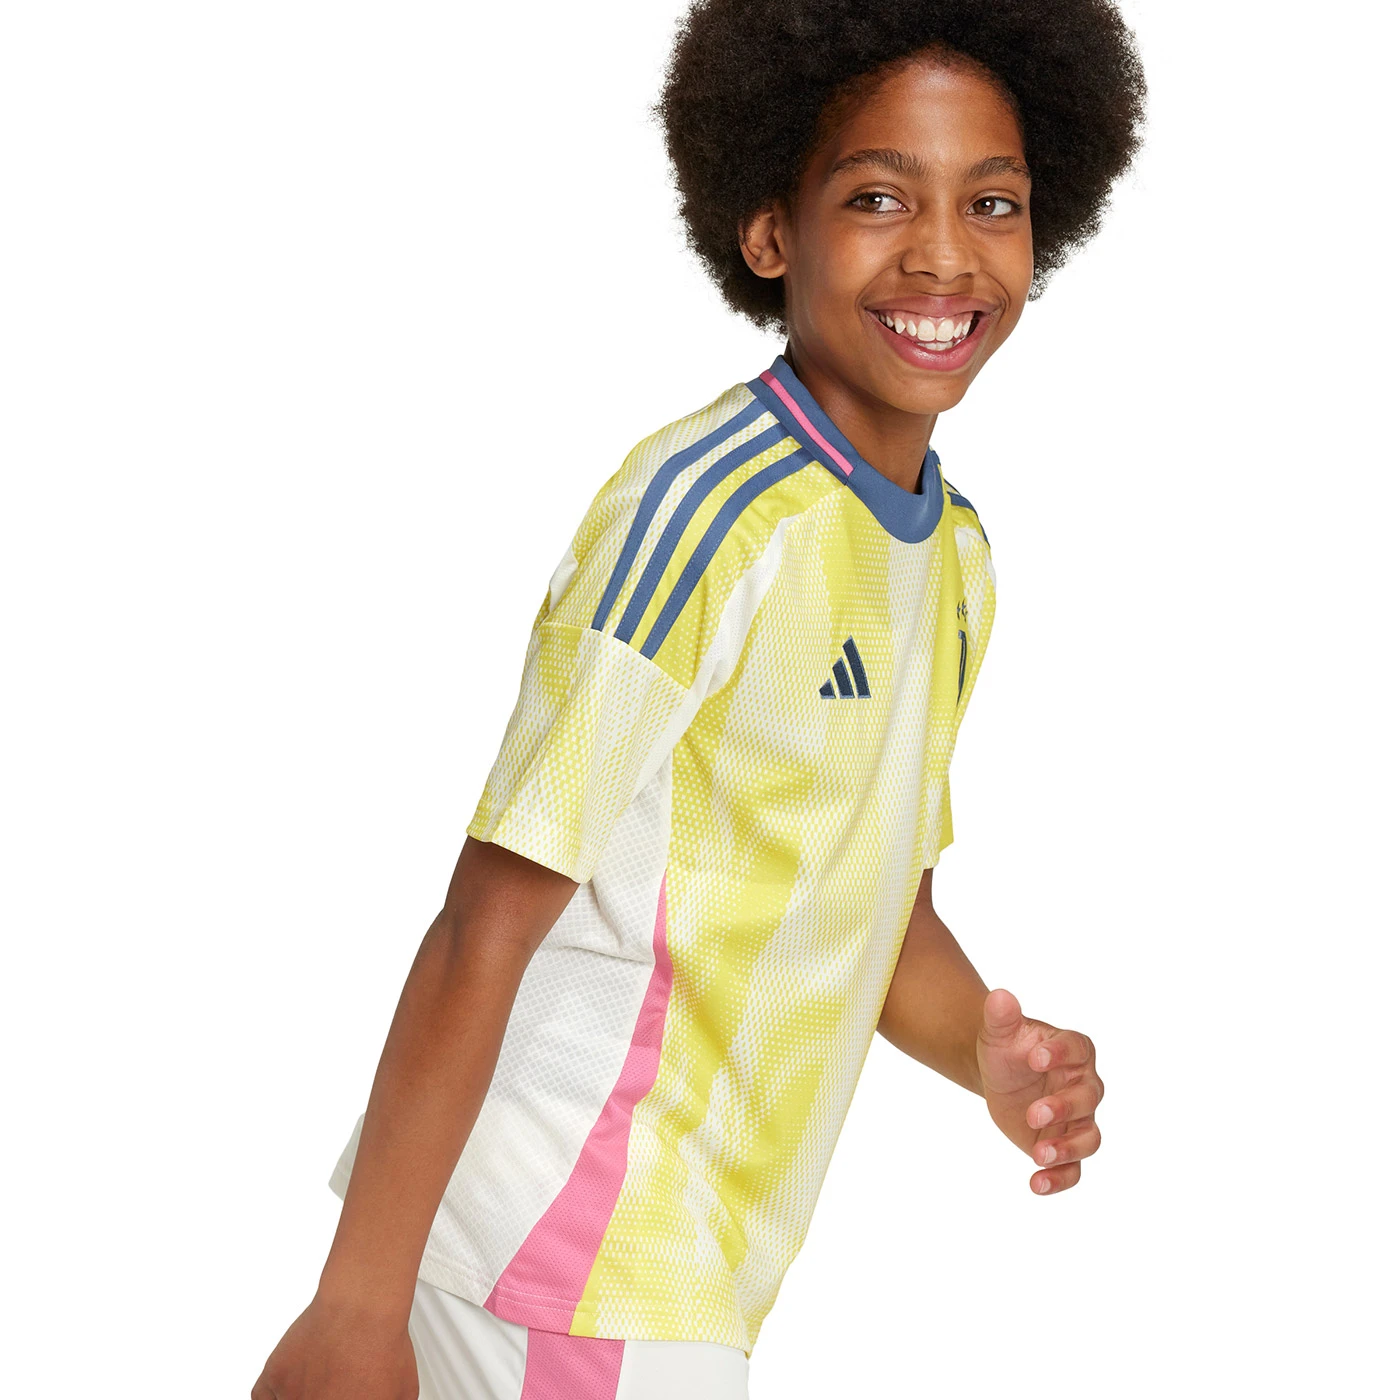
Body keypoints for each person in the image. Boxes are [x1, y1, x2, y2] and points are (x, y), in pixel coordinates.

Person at [253, 2, 1146, 1396]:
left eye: (993, 202)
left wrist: (990, 1055)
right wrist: (354, 1309)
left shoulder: (956, 558)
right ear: (770, 230)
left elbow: (873, 909)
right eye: (877, 197)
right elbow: (491, 912)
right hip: (563, 1244)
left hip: (679, 1274)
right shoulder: (704, 513)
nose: (943, 252)